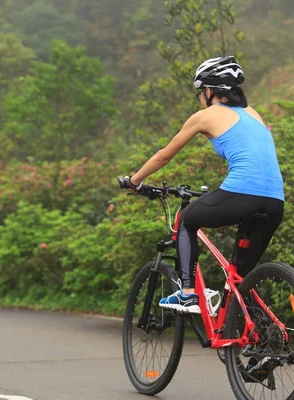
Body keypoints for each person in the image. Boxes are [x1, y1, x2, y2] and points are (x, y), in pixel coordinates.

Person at [122, 56, 284, 314]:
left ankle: (187, 294)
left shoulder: (205, 116)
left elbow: (164, 155)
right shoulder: (254, 114)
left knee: (186, 219)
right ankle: (261, 338)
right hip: (275, 201)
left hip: (242, 193)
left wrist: (134, 181)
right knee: (241, 278)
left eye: (201, 92)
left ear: (209, 91)